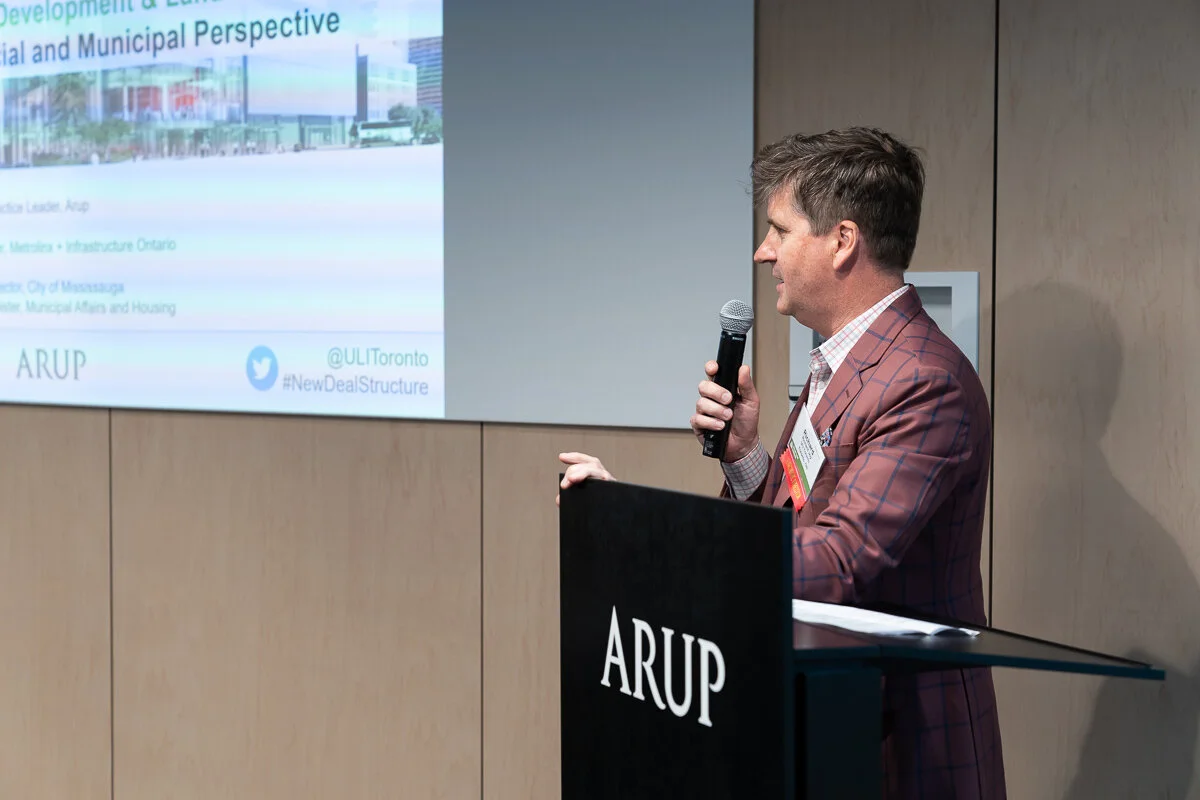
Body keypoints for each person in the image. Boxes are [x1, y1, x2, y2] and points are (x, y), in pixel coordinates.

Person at [558, 127, 1005, 798]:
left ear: (843, 241)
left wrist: (647, 539)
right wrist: (744, 458)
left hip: (893, 746)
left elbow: (838, 562)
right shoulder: (844, 359)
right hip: (818, 720)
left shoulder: (923, 381)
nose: (762, 251)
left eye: (779, 230)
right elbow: (804, 517)